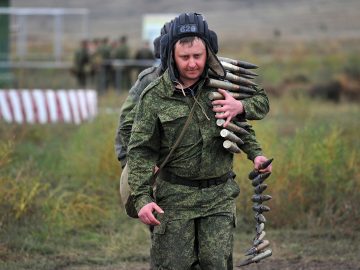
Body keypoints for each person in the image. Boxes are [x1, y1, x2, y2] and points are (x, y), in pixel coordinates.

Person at [125, 12, 272, 270]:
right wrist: (142, 198)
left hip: (219, 197)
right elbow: (140, 151)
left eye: (197, 56)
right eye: (184, 57)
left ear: (208, 54)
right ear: (171, 55)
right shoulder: (154, 96)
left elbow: (256, 108)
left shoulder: (224, 84)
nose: (192, 64)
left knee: (216, 263)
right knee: (173, 265)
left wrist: (243, 115)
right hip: (174, 199)